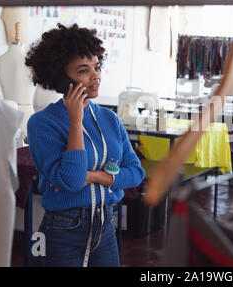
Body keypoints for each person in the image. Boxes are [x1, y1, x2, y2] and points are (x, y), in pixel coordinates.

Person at [25, 23, 145, 267]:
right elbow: (71, 180)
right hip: (63, 230)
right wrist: (75, 121)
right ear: (62, 76)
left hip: (106, 225)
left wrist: (96, 177)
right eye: (83, 70)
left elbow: (136, 174)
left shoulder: (109, 119)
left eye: (96, 67)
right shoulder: (42, 123)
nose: (95, 76)